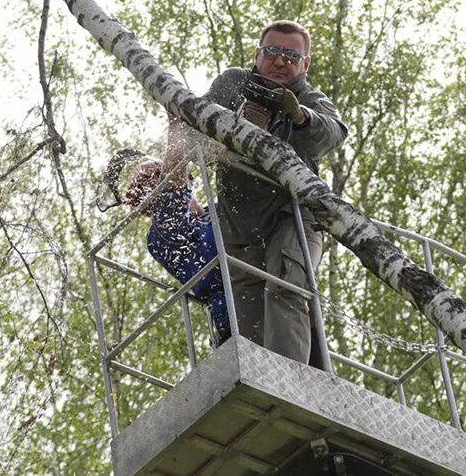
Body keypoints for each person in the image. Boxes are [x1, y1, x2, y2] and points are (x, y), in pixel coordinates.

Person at [204, 20, 347, 364]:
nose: (280, 62)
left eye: (290, 55)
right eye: (272, 52)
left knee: (287, 287)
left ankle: (292, 386)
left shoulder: (308, 99)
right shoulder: (234, 83)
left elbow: (333, 133)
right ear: (258, 54)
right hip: (240, 225)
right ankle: (259, 381)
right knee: (246, 310)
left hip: (293, 216)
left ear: (304, 64)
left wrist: (299, 116)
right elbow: (195, 115)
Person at [120, 116, 230, 343]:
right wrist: (175, 124)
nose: (186, 178)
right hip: (233, 306)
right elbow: (173, 187)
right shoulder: (162, 233)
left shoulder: (216, 211)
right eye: (159, 179)